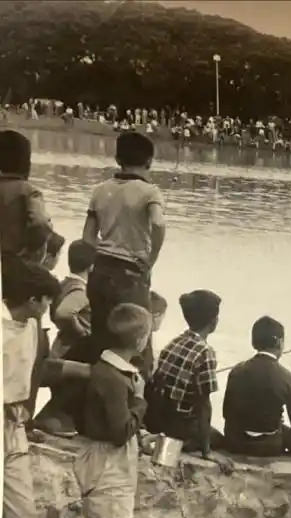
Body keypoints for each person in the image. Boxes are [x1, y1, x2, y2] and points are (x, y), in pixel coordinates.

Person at [2, 260, 88, 518]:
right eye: (47, 301)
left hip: (14, 428)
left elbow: (44, 370)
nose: (49, 308)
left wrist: (86, 372)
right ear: (34, 300)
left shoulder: (34, 331)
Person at [67, 304, 153, 518]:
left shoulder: (104, 369)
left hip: (98, 456)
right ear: (140, 340)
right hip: (108, 462)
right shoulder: (115, 379)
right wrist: (139, 401)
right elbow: (121, 431)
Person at [82, 131, 166, 381]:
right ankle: (136, 403)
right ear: (149, 161)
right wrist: (151, 259)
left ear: (118, 158)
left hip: (100, 272)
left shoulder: (100, 190)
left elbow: (87, 236)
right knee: (136, 343)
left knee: (101, 341)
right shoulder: (150, 192)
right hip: (130, 275)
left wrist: (97, 259)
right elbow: (159, 224)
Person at [147, 290, 232, 473]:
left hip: (162, 418)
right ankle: (183, 444)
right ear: (213, 321)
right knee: (222, 441)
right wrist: (206, 451)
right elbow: (203, 405)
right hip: (182, 426)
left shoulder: (174, 343)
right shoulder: (205, 352)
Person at [222, 316, 291, 457]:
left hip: (236, 443)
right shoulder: (288, 378)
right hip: (268, 446)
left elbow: (227, 412)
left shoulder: (237, 370)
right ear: (279, 342)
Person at [0, 130, 53, 268]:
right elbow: (41, 224)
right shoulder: (28, 191)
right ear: (26, 163)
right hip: (16, 263)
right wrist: (30, 250)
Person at [50, 240, 97, 360]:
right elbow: (63, 313)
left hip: (60, 345)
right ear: (91, 266)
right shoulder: (81, 290)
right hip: (75, 349)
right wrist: (81, 332)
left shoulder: (63, 284)